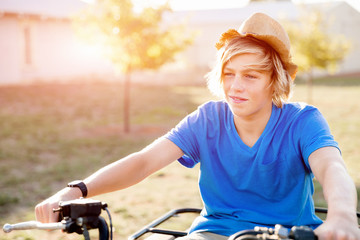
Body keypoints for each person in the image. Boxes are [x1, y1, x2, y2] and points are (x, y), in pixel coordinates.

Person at [35, 12, 359, 240]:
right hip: (212, 235)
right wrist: (74, 191)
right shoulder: (207, 119)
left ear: (276, 80)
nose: (236, 86)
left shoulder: (302, 120)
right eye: (229, 73)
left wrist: (342, 215)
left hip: (289, 234)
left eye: (250, 76)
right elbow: (144, 161)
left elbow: (332, 167)